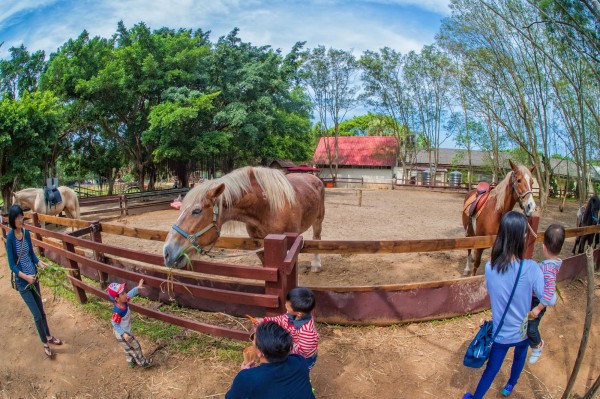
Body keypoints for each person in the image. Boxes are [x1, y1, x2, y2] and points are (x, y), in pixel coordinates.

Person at [464, 211, 549, 399]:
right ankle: (510, 386)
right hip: (523, 330)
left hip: (501, 333)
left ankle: (476, 397)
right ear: (520, 237)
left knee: (491, 370)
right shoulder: (531, 268)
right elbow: (547, 297)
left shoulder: (489, 267)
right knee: (520, 357)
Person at [5, 204, 62, 358]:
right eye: (17, 217)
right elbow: (11, 265)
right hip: (24, 282)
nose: (20, 219)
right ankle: (45, 343)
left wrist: (40, 263)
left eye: (21, 216)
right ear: (12, 219)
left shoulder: (26, 233)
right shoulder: (10, 237)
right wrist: (25, 277)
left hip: (34, 278)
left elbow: (31, 254)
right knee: (36, 314)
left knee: (42, 312)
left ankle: (49, 336)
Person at [226, 321, 315, 399]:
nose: (252, 341)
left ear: (260, 352)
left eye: (254, 339)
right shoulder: (299, 361)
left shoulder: (246, 378)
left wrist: (245, 374)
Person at [249, 287, 319, 370]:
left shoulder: (307, 332)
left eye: (288, 305)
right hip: (291, 350)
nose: (285, 305)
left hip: (304, 358)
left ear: (299, 313)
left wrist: (284, 348)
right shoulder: (294, 314)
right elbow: (281, 319)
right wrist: (264, 320)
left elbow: (303, 350)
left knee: (299, 372)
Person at [527, 224, 564, 364]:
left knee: (532, 327)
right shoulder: (553, 263)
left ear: (544, 246)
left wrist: (539, 307)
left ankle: (537, 346)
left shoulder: (548, 268)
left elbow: (549, 291)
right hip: (536, 299)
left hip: (538, 302)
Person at [107, 279, 153, 368]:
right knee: (135, 347)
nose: (125, 294)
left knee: (127, 347)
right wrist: (123, 334)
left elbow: (130, 294)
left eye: (124, 292)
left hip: (126, 330)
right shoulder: (117, 311)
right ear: (117, 299)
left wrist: (137, 287)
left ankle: (130, 361)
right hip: (122, 334)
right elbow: (114, 323)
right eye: (123, 293)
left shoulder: (123, 301)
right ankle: (142, 363)